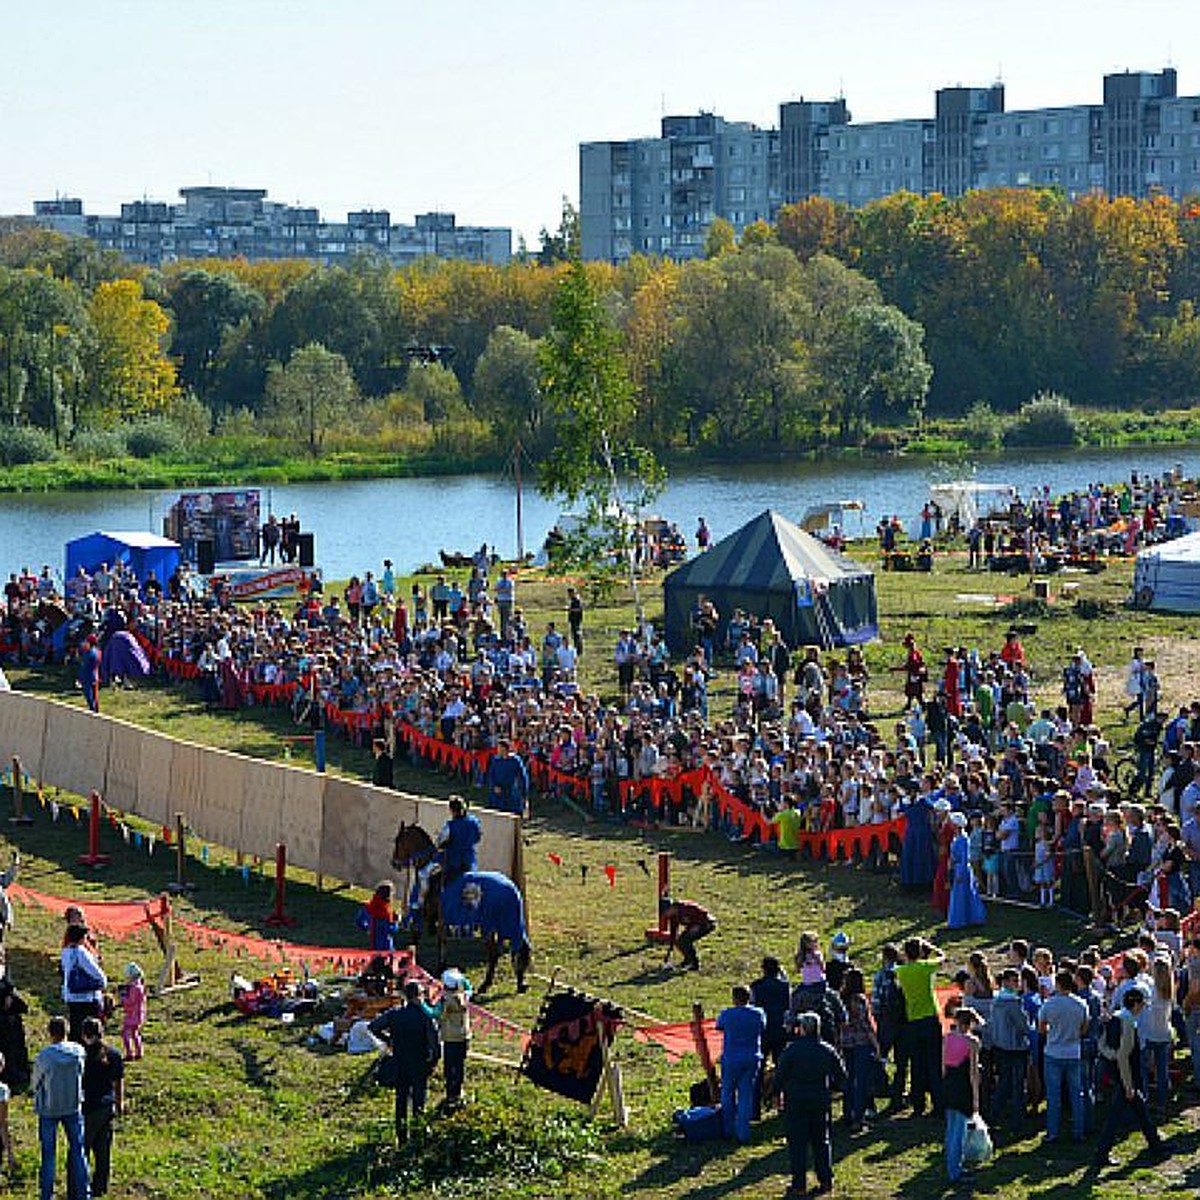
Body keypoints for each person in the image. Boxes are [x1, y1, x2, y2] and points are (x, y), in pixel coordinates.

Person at [1093, 985, 1165, 1170]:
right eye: (1141, 1004)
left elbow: (1102, 1045)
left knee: (1141, 1113)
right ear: (1135, 1004)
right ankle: (1102, 1153)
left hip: (1117, 1074)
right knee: (1115, 1119)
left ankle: (1155, 1144)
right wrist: (1128, 1086)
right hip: (1126, 1077)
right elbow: (1124, 1056)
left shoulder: (1114, 1018)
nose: (1142, 1008)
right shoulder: (1128, 1022)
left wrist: (1112, 1055)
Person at [775, 1010, 846, 1198]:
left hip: (796, 1100)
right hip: (819, 1099)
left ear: (803, 1029)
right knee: (821, 1141)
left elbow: (780, 1075)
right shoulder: (826, 1049)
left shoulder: (791, 1050)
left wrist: (775, 1094)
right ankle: (825, 1179)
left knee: (797, 1143)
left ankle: (799, 1184)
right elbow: (841, 1076)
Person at [369, 980, 442, 1145]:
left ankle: (401, 1137)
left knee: (401, 1101)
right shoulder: (425, 1017)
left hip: (400, 1061)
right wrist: (433, 1063)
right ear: (419, 996)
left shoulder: (395, 1014)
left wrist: (389, 1040)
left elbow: (373, 1027)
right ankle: (418, 1136)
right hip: (419, 1063)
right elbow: (435, 1045)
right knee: (419, 1102)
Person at [32, 1015, 90, 1200]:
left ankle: (46, 1194)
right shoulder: (78, 1051)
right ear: (67, 1030)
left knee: (48, 1154)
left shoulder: (45, 1056)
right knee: (78, 1151)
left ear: (50, 1033)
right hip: (72, 1105)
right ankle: (84, 1193)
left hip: (49, 1107)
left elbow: (36, 1081)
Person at [895, 936, 945, 1118]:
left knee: (917, 1064)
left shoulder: (901, 971)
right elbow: (942, 956)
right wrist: (929, 946)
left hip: (913, 1021)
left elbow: (899, 961)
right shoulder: (925, 967)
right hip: (930, 1019)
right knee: (934, 1063)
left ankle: (918, 1104)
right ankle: (939, 1103)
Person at [1039, 967, 1088, 1144]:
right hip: (1073, 1051)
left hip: (1053, 1051)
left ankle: (1053, 1132)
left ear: (1058, 985)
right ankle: (1079, 1131)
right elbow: (1084, 1028)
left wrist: (1053, 1032)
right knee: (1077, 1094)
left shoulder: (1049, 1004)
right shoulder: (1081, 1004)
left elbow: (1042, 1028)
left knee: (1054, 1096)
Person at [715, 984, 765, 1144]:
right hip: (751, 1057)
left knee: (727, 1093)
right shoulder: (758, 1013)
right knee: (746, 1094)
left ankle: (727, 1129)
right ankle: (743, 1132)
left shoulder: (727, 1014)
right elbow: (763, 1027)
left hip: (731, 1058)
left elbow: (718, 1026)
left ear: (734, 998)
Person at [80, 1016, 123, 1197]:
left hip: (86, 1107)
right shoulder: (113, 1054)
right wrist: (119, 1103)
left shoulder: (80, 1055)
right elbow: (118, 1082)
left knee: (82, 1150)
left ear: (83, 1035)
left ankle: (80, 1187)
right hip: (106, 1106)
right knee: (103, 1150)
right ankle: (100, 1187)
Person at [943, 1003, 982, 1185]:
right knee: (959, 1132)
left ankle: (952, 1165)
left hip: (949, 1084)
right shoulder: (972, 1042)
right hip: (963, 1086)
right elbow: (973, 1072)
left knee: (951, 1128)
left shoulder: (948, 1038)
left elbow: (943, 1066)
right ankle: (955, 1170)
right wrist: (975, 1098)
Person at [433, 968, 471, 1109]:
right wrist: (462, 979)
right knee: (460, 1065)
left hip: (449, 1038)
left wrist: (423, 1005)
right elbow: (469, 988)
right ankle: (458, 1091)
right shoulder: (464, 996)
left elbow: (435, 1014)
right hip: (463, 1035)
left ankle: (450, 1094)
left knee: (450, 1067)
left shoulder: (444, 1000)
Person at [61, 924, 106, 1043]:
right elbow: (95, 973)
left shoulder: (65, 952)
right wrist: (102, 982)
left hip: (71, 996)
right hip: (86, 997)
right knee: (90, 1030)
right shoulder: (81, 952)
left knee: (76, 1029)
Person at [946, 811, 987, 929]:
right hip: (957, 867)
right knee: (959, 894)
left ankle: (964, 919)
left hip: (962, 869)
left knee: (962, 894)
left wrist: (961, 872)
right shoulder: (956, 838)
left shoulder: (963, 839)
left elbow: (964, 857)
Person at [660, 896, 715, 972]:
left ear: (672, 907)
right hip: (695, 924)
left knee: (685, 940)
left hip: (705, 923)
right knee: (680, 941)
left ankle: (694, 964)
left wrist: (696, 926)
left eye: (666, 912)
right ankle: (688, 960)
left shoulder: (686, 908)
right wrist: (670, 950)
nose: (666, 915)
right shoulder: (673, 916)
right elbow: (673, 933)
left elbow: (703, 914)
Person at [482, 739, 529, 817]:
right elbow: (491, 775)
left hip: (511, 791)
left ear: (505, 749)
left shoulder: (515, 760)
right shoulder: (496, 760)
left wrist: (524, 792)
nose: (498, 750)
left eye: (500, 748)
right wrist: (494, 786)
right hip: (498, 791)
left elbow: (522, 776)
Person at [356, 882, 400, 952]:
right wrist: (396, 921)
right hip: (386, 946)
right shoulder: (386, 911)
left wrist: (367, 928)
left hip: (373, 942)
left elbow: (359, 920)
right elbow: (390, 930)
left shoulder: (369, 906)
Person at [118, 963, 146, 1062]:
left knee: (125, 1034)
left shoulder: (134, 988)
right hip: (139, 1014)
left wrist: (123, 998)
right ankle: (139, 1052)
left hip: (132, 1015)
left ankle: (129, 1053)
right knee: (135, 1033)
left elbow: (131, 1001)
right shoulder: (140, 986)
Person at [78, 635, 101, 713]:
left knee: (89, 696)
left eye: (86, 642)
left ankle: (93, 710)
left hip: (88, 677)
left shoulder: (90, 654)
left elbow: (85, 666)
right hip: (94, 676)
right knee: (94, 696)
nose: (84, 643)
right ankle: (95, 710)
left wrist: (81, 678)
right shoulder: (96, 651)